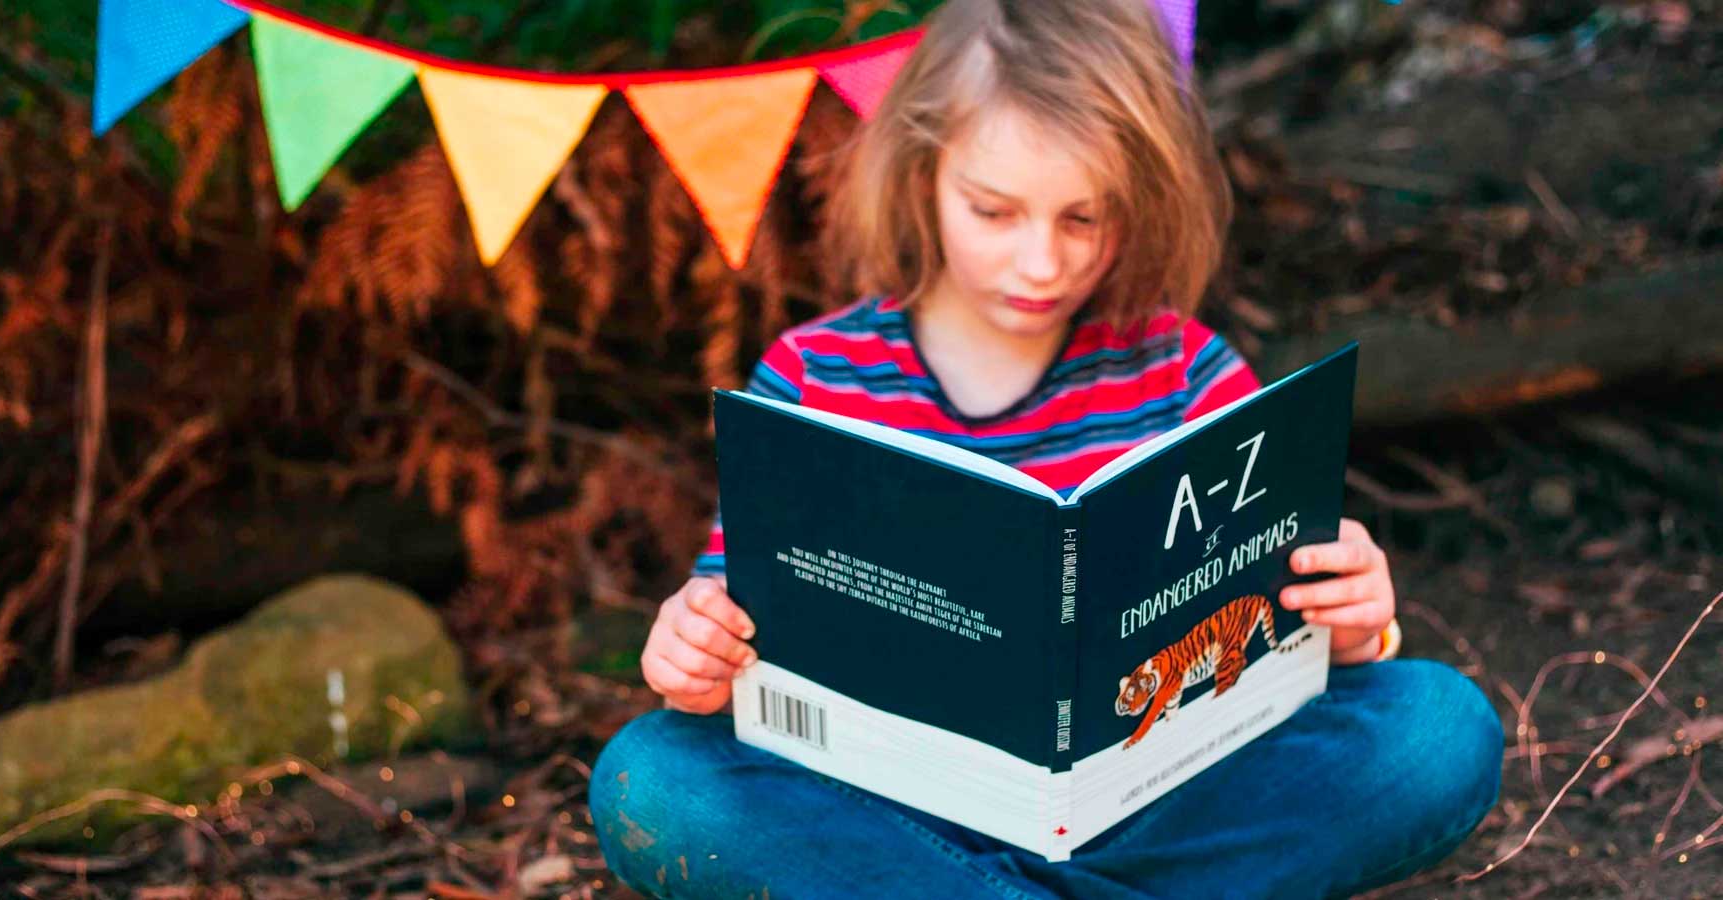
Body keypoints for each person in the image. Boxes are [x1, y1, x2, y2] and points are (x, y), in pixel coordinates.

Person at [590, 1, 1503, 896]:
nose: (1041, 264)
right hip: (890, 808)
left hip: (1157, 799)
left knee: (1434, 728)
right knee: (656, 779)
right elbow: (731, 622)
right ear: (922, 177)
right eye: (994, 212)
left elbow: (1277, 630)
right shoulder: (813, 377)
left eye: (1084, 218)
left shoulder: (1186, 371)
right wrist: (694, 655)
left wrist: (1352, 625)